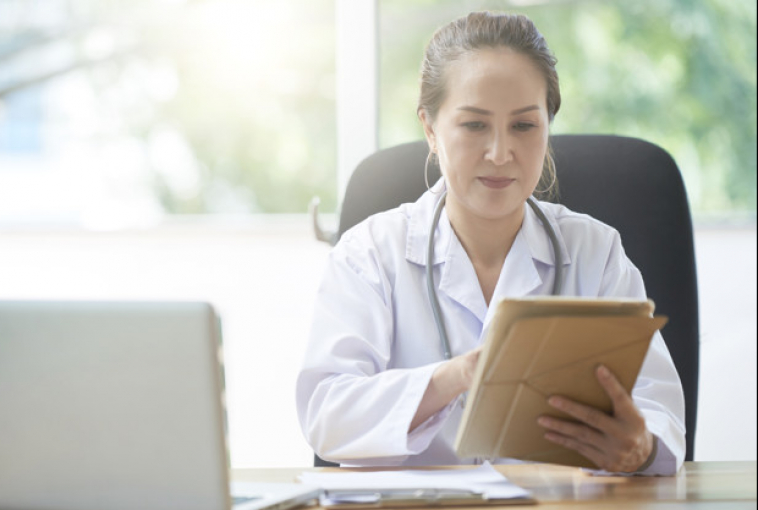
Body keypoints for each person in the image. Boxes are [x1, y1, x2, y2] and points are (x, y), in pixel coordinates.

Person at [296, 11, 685, 475]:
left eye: (524, 126)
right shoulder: (369, 254)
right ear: (430, 129)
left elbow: (660, 412)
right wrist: (453, 379)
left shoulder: (595, 253)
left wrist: (640, 447)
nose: (501, 153)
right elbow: (327, 414)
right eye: (475, 125)